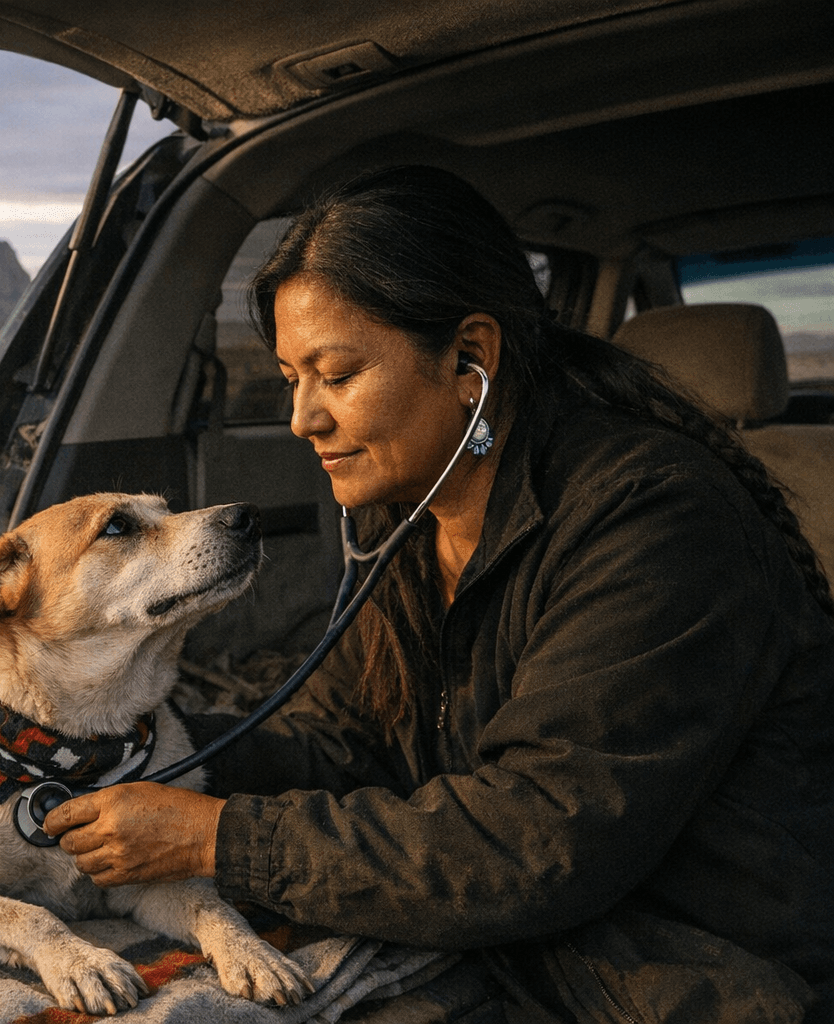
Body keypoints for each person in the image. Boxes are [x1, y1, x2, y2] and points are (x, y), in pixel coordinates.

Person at [41, 167, 834, 1021]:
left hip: (692, 982)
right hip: (523, 954)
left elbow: (540, 839)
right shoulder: (412, 519)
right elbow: (349, 743)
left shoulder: (656, 521)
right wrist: (122, 739)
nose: (303, 416)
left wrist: (214, 836)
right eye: (290, 377)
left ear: (471, 359)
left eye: (336, 375)